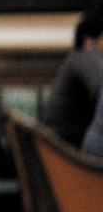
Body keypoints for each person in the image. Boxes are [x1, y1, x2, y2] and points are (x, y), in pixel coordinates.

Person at [41, 13, 103, 148]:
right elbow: (100, 89)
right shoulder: (86, 56)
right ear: (89, 40)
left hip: (61, 149)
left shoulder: (75, 59)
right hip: (67, 153)